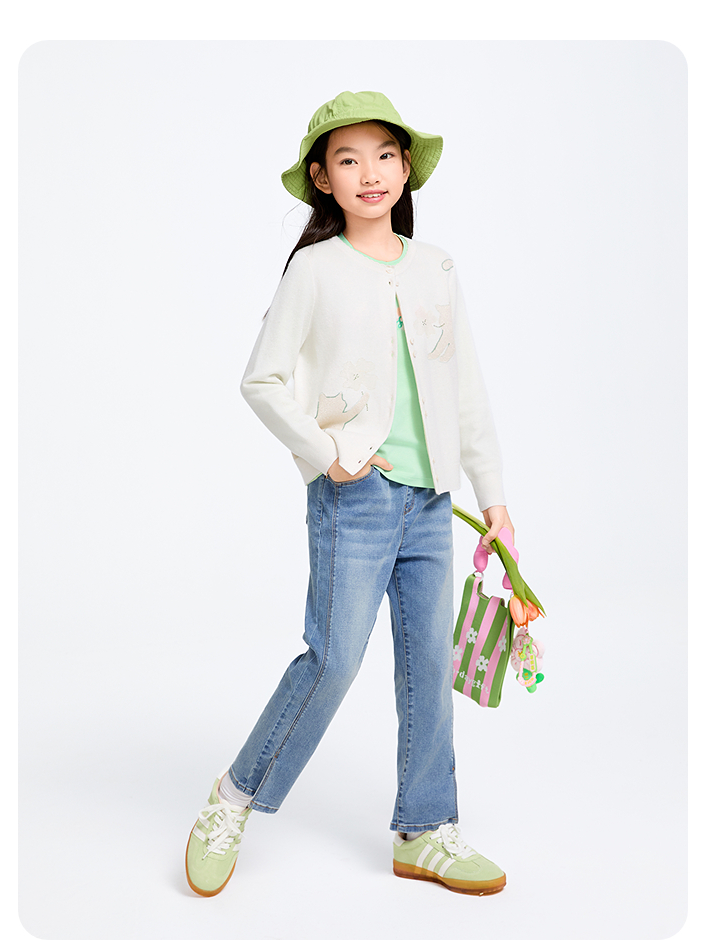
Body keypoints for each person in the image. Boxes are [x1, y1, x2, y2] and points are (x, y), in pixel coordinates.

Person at [185, 90, 514, 898]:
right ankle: (232, 798)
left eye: (385, 155)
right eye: (349, 159)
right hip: (355, 499)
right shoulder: (315, 269)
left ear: (405, 169)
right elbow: (261, 380)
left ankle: (425, 830)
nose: (371, 173)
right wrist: (327, 453)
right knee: (333, 661)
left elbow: (466, 388)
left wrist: (495, 498)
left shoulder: (436, 267)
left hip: (431, 503)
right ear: (322, 178)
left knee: (428, 665)